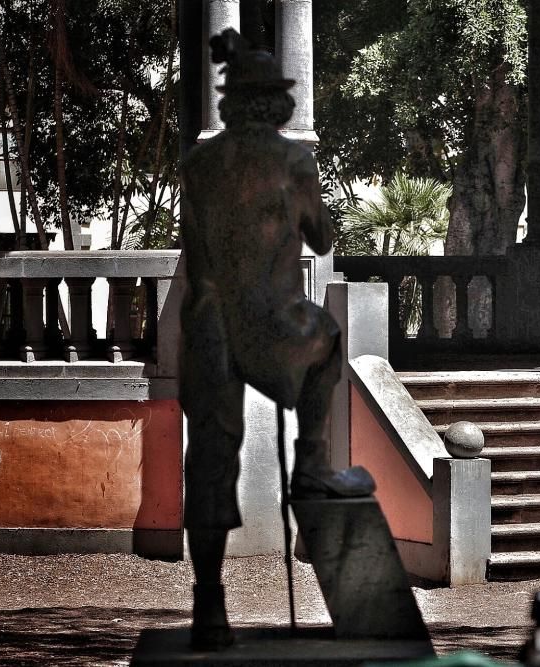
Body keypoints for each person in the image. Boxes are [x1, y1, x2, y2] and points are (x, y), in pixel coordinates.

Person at [178, 29, 374, 650]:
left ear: (231, 102)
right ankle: (311, 463)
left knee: (210, 459)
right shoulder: (296, 161)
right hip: (272, 323)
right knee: (330, 343)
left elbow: (195, 251)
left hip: (208, 323)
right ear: (275, 104)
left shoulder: (198, 163)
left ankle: (208, 606)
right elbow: (320, 238)